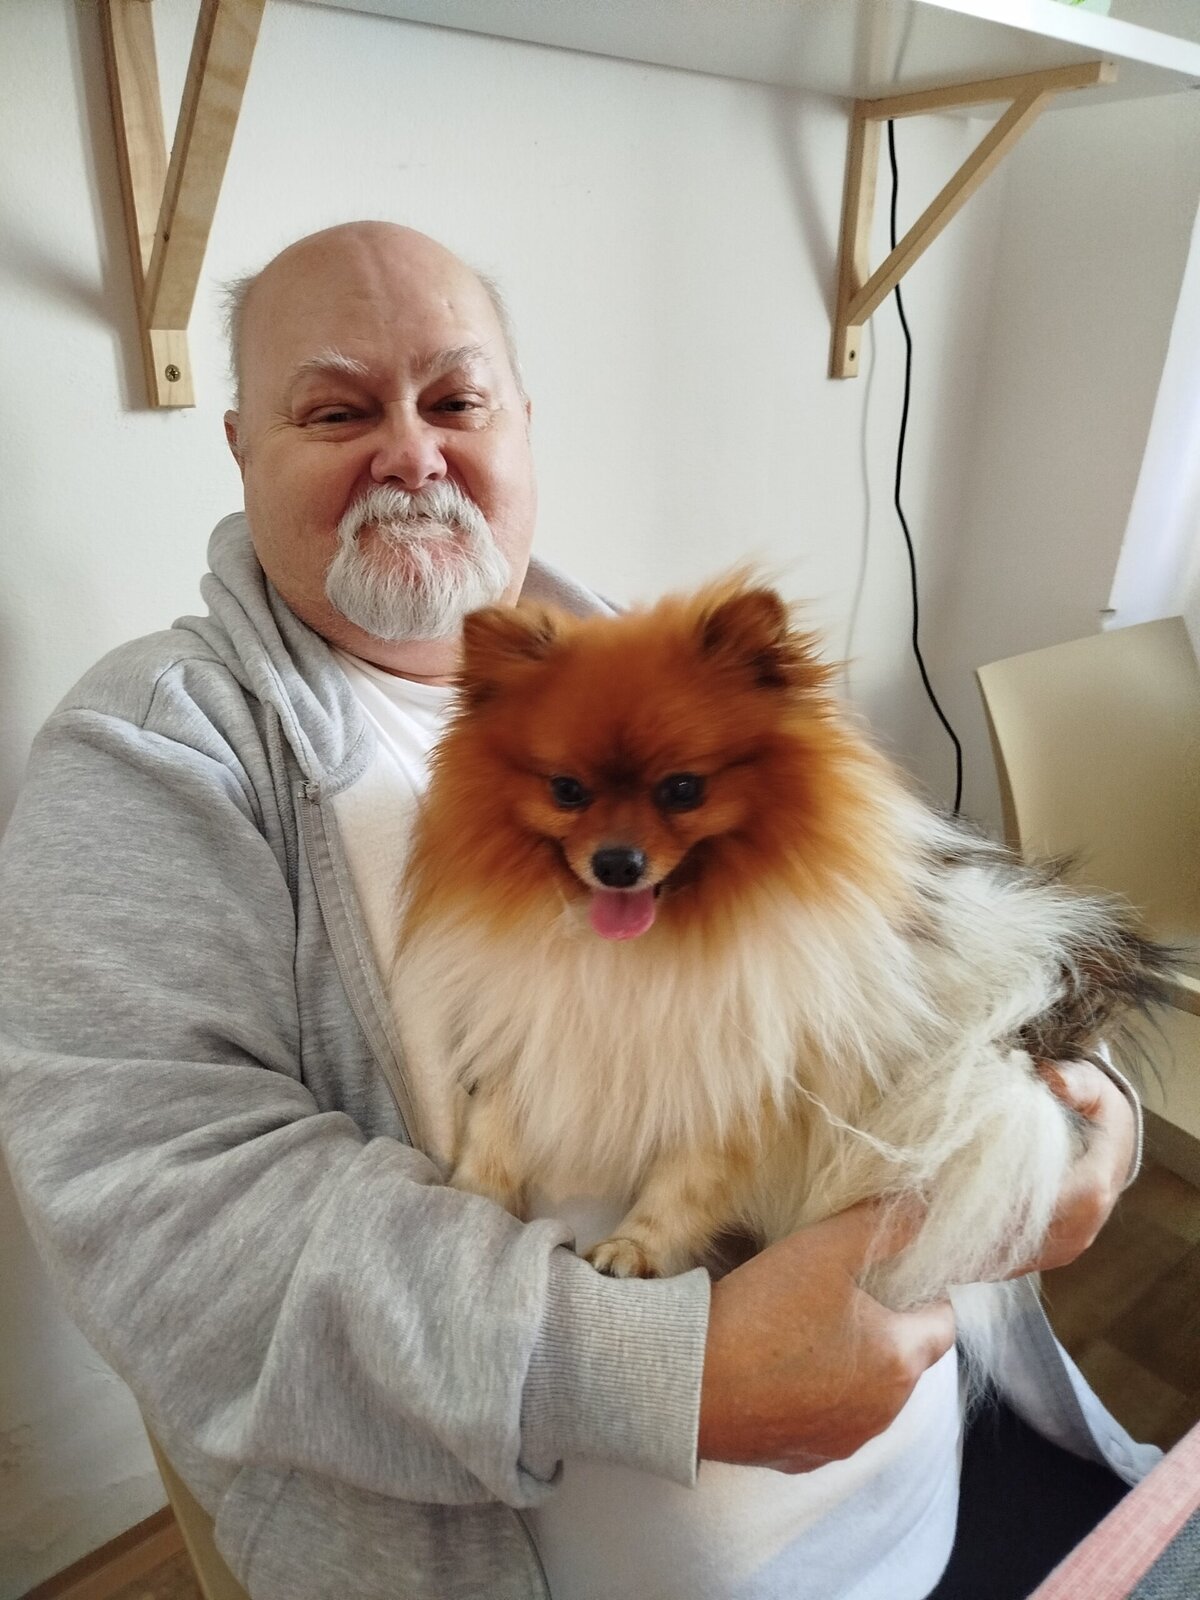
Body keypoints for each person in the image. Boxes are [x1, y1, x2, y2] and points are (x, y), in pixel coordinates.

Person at [0, 222, 1156, 1600]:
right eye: (338, 411)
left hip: (950, 1484)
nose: (412, 452)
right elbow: (171, 1233)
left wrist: (1084, 1110)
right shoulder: (156, 753)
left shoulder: (668, 661)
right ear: (242, 447)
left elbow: (946, 941)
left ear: (524, 426)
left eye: (456, 399)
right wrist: (667, 1375)